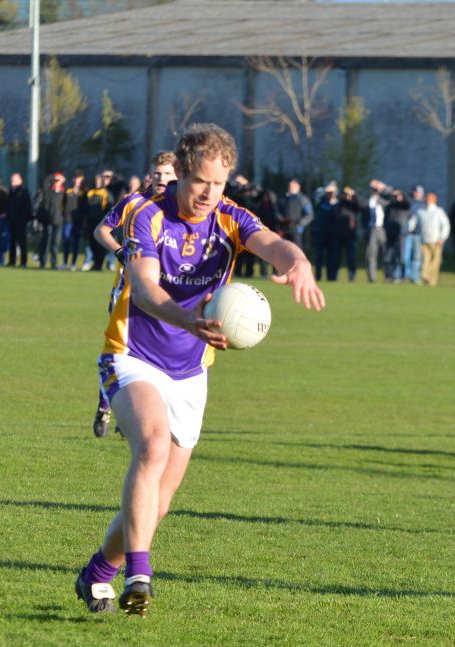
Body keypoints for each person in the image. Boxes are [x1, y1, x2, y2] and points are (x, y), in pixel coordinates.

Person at [74, 124, 325, 617]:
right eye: (201, 182)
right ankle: (139, 575)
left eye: (220, 183)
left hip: (191, 371)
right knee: (151, 443)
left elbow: (275, 245)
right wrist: (190, 318)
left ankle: (98, 572)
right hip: (132, 355)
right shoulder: (146, 215)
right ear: (181, 174)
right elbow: (145, 288)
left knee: (158, 504)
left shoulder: (229, 218)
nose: (211, 194)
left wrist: (299, 262)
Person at [90, 151, 179, 439]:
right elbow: (101, 231)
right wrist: (119, 251)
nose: (162, 179)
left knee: (156, 351)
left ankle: (139, 409)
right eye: (157, 173)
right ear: (149, 174)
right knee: (120, 352)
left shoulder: (179, 209)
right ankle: (106, 405)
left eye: (168, 174)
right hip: (127, 293)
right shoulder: (133, 202)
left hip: (163, 292)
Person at [414, 192, 451, 286]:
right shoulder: (421, 212)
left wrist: (442, 237)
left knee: (435, 261)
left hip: (436, 240)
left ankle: (432, 280)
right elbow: (414, 222)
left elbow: (445, 225)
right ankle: (424, 277)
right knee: (425, 260)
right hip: (424, 240)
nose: (428, 201)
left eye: (429, 199)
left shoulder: (439, 211)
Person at [36, 172, 66, 269]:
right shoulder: (49, 191)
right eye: (55, 181)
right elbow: (44, 182)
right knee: (46, 242)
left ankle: (54, 263)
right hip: (48, 220)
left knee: (55, 244)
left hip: (58, 221)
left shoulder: (63, 192)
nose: (57, 182)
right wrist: (54, 176)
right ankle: (43, 262)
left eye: (59, 181)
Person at [6, 173, 34, 268]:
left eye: (14, 180)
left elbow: (27, 207)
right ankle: (11, 261)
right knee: (12, 242)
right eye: (11, 180)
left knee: (22, 242)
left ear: (20, 181)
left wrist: (24, 218)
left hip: (21, 221)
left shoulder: (23, 192)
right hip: (12, 220)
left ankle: (23, 262)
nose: (12, 182)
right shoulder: (11, 192)